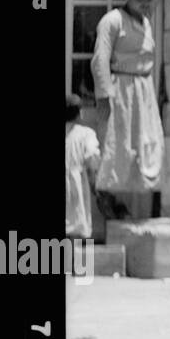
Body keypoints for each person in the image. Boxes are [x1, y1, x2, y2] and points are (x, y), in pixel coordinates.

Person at [91, 0, 164, 221]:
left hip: (143, 90)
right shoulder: (112, 21)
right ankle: (106, 196)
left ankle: (138, 205)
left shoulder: (146, 22)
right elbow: (99, 59)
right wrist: (104, 97)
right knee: (117, 145)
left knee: (143, 146)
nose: (145, 3)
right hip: (120, 89)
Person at [66, 93, 101, 239]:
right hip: (77, 183)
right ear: (80, 113)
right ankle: (84, 262)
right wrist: (94, 184)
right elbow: (91, 159)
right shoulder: (87, 134)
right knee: (81, 226)